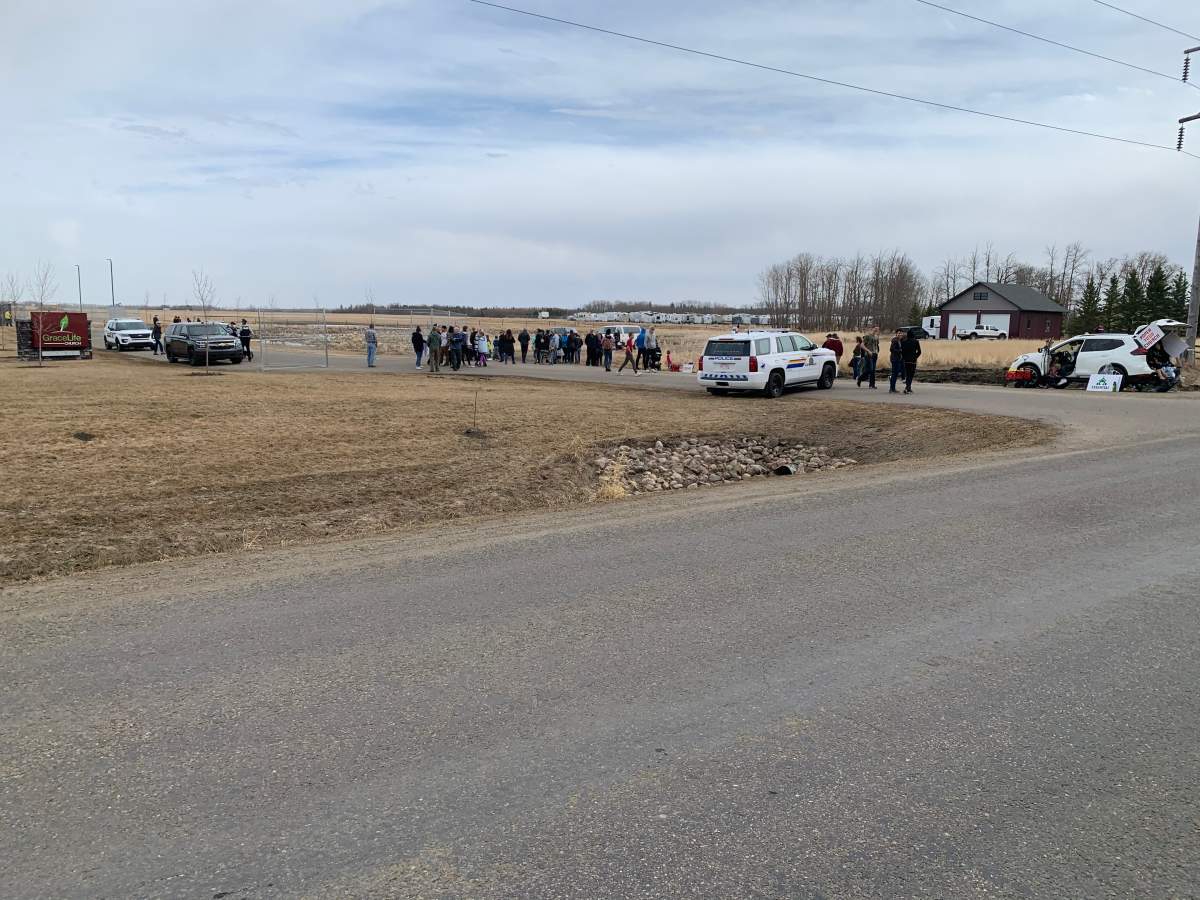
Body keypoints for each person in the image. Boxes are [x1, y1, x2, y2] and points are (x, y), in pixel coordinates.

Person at [901, 327, 922, 394]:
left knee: (907, 374)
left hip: (906, 360)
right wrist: (915, 357)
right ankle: (907, 388)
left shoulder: (904, 342)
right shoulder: (916, 341)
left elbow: (902, 351)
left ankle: (908, 387)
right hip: (913, 361)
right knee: (911, 375)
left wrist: (904, 357)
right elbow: (919, 351)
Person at [888, 329, 905, 394]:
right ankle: (892, 389)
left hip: (899, 359)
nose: (900, 334)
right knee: (894, 374)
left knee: (896, 373)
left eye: (901, 333)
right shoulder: (895, 340)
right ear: (896, 334)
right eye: (899, 333)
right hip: (895, 359)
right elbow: (891, 349)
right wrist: (900, 351)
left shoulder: (900, 340)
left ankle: (892, 388)